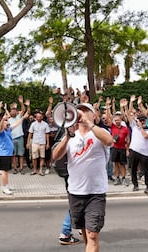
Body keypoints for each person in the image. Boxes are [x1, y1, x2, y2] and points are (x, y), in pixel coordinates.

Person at [52, 103, 113, 252]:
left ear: (94, 115)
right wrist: (67, 136)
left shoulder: (98, 132)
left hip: (96, 192)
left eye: (86, 111)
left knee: (92, 235)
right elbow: (55, 155)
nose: (82, 113)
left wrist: (89, 124)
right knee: (86, 232)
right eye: (79, 111)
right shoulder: (71, 135)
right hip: (75, 192)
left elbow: (109, 141)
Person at [0, 111, 27, 195]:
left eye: (8, 123)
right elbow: (0, 127)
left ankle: (6, 185)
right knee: (4, 172)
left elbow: (17, 124)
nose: (8, 124)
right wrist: (3, 119)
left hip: (8, 154)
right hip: (4, 154)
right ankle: (4, 188)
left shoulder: (8, 130)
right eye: (6, 123)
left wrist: (23, 117)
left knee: (6, 171)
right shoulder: (1, 132)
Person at [127, 113, 148, 194]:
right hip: (134, 150)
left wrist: (141, 127)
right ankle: (135, 185)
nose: (142, 121)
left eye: (143, 120)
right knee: (133, 169)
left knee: (146, 170)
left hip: (144, 153)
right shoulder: (134, 127)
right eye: (140, 120)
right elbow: (128, 115)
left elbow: (145, 136)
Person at [27, 112, 50, 176]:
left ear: (42, 117)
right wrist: (28, 143)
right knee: (34, 157)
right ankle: (34, 170)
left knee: (42, 157)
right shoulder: (33, 124)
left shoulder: (45, 124)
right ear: (36, 117)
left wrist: (48, 143)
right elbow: (30, 133)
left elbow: (47, 134)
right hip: (35, 142)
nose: (39, 118)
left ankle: (41, 170)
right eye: (37, 117)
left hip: (42, 142)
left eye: (40, 117)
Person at [110, 113, 130, 186]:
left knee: (123, 164)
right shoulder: (113, 127)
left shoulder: (125, 128)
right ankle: (117, 178)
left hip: (122, 148)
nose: (117, 121)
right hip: (115, 147)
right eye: (115, 120)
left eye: (118, 120)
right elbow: (108, 118)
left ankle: (124, 178)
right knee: (116, 164)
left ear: (121, 120)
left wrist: (127, 149)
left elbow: (128, 139)